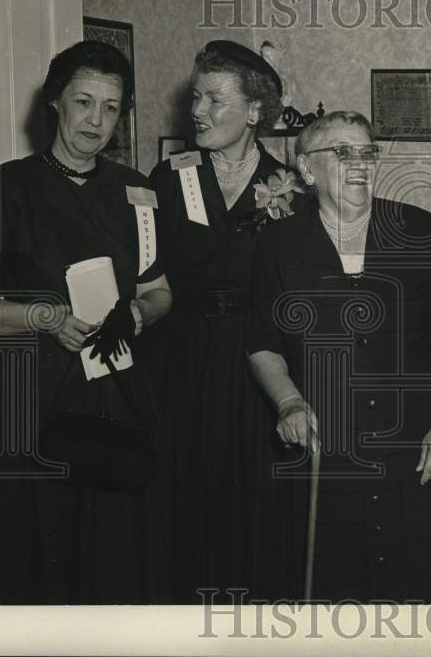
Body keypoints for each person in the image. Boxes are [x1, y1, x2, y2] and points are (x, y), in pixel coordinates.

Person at [0, 40, 173, 603]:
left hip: (112, 395)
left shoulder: (135, 191)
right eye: (84, 101)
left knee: (112, 562)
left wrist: (139, 314)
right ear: (55, 102)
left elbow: (158, 290)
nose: (97, 120)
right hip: (29, 401)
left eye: (112, 107)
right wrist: (43, 317)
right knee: (28, 565)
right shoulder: (9, 186)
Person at [247, 111, 431, 602]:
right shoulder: (280, 244)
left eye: (367, 152)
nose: (359, 164)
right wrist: (287, 403)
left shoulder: (417, 228)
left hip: (414, 452)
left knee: (424, 601)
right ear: (307, 170)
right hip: (328, 459)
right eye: (342, 152)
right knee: (337, 600)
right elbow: (262, 343)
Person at [147, 39, 298, 602]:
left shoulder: (290, 188)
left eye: (215, 99)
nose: (198, 112)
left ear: (254, 111)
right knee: (184, 496)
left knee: (255, 500)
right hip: (181, 359)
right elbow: (146, 275)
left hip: (256, 362)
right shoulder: (170, 176)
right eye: (196, 98)